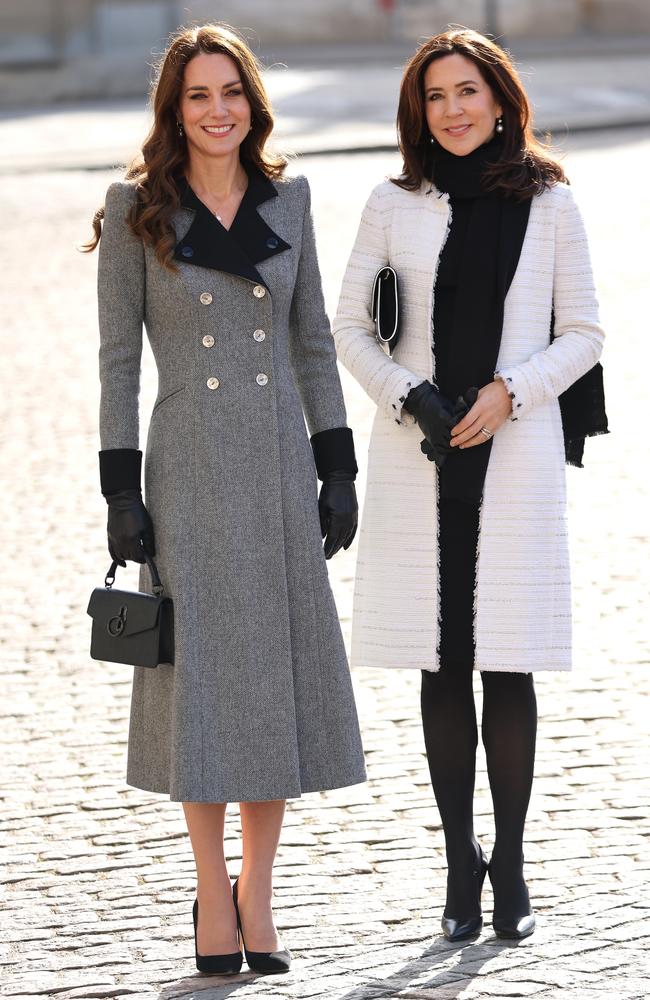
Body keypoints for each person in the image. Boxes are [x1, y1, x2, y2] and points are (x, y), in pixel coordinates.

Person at [84, 23, 366, 976]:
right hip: (188, 471)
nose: (217, 111)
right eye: (198, 95)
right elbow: (118, 362)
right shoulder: (136, 209)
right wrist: (121, 491)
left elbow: (314, 343)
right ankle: (212, 890)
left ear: (252, 102)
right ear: (175, 109)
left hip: (279, 463)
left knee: (270, 687)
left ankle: (261, 892)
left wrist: (339, 466)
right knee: (201, 687)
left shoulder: (292, 198)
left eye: (231, 92)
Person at [333, 28, 606, 942]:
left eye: (466, 91)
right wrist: (410, 395)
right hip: (423, 457)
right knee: (440, 661)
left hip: (513, 452)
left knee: (508, 660)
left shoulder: (552, 202)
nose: (451, 110)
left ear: (500, 99)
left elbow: (585, 334)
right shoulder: (390, 202)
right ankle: (460, 864)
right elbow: (349, 328)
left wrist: (509, 392)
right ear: (419, 111)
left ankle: (515, 863)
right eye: (434, 95)